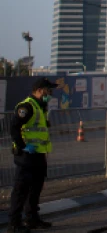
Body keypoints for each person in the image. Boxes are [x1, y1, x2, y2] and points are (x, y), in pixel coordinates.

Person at [8, 78, 56, 233]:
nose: (50, 94)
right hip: (26, 156)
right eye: (49, 91)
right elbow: (14, 127)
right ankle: (14, 224)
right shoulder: (27, 106)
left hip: (38, 155)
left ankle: (32, 219)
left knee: (35, 189)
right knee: (21, 190)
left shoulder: (41, 107)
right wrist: (23, 146)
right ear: (41, 90)